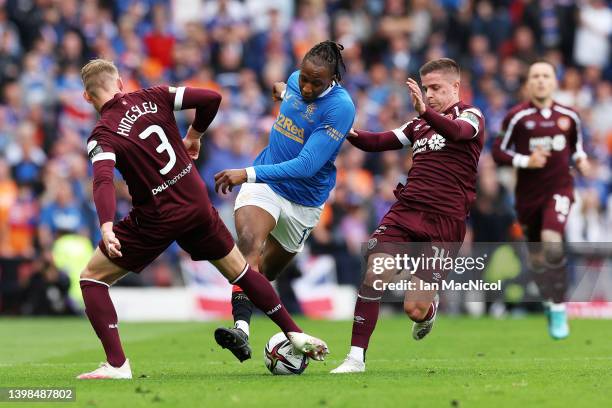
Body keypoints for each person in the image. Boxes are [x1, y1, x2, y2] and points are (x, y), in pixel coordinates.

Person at [76, 59, 328, 380]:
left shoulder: (103, 134)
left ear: (87, 97)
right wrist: (194, 134)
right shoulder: (153, 95)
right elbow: (212, 98)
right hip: (194, 202)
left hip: (157, 215)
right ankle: (294, 332)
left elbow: (102, 181)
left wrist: (107, 224)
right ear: (121, 83)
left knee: (92, 278)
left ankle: (116, 365)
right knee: (241, 271)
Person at [330, 58, 486, 373]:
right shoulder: (418, 125)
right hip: (407, 211)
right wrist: (340, 129)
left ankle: (428, 311)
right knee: (375, 273)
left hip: (444, 223)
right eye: (425, 88)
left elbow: (458, 132)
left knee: (414, 308)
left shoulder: (471, 115)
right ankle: (355, 358)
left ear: (455, 86)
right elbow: (376, 141)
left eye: (436, 88)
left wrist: (425, 112)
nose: (428, 95)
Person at [213, 41, 356, 362]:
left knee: (265, 273)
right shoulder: (294, 81)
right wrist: (284, 91)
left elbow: (307, 165)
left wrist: (245, 173)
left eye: (315, 83)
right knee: (248, 249)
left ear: (332, 79)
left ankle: (257, 320)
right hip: (265, 186)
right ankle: (240, 331)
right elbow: (289, 90)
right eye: (303, 77)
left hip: (305, 201)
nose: (305, 86)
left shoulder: (340, 107)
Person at [492, 61, 590, 340]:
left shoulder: (569, 116)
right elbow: (498, 152)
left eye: (546, 75)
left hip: (559, 190)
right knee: (536, 259)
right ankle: (549, 299)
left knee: (551, 240)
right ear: (528, 83)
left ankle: (559, 307)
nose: (540, 81)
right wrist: (526, 160)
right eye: (535, 76)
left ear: (554, 82)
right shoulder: (517, 117)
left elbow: (578, 148)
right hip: (527, 197)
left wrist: (581, 161)